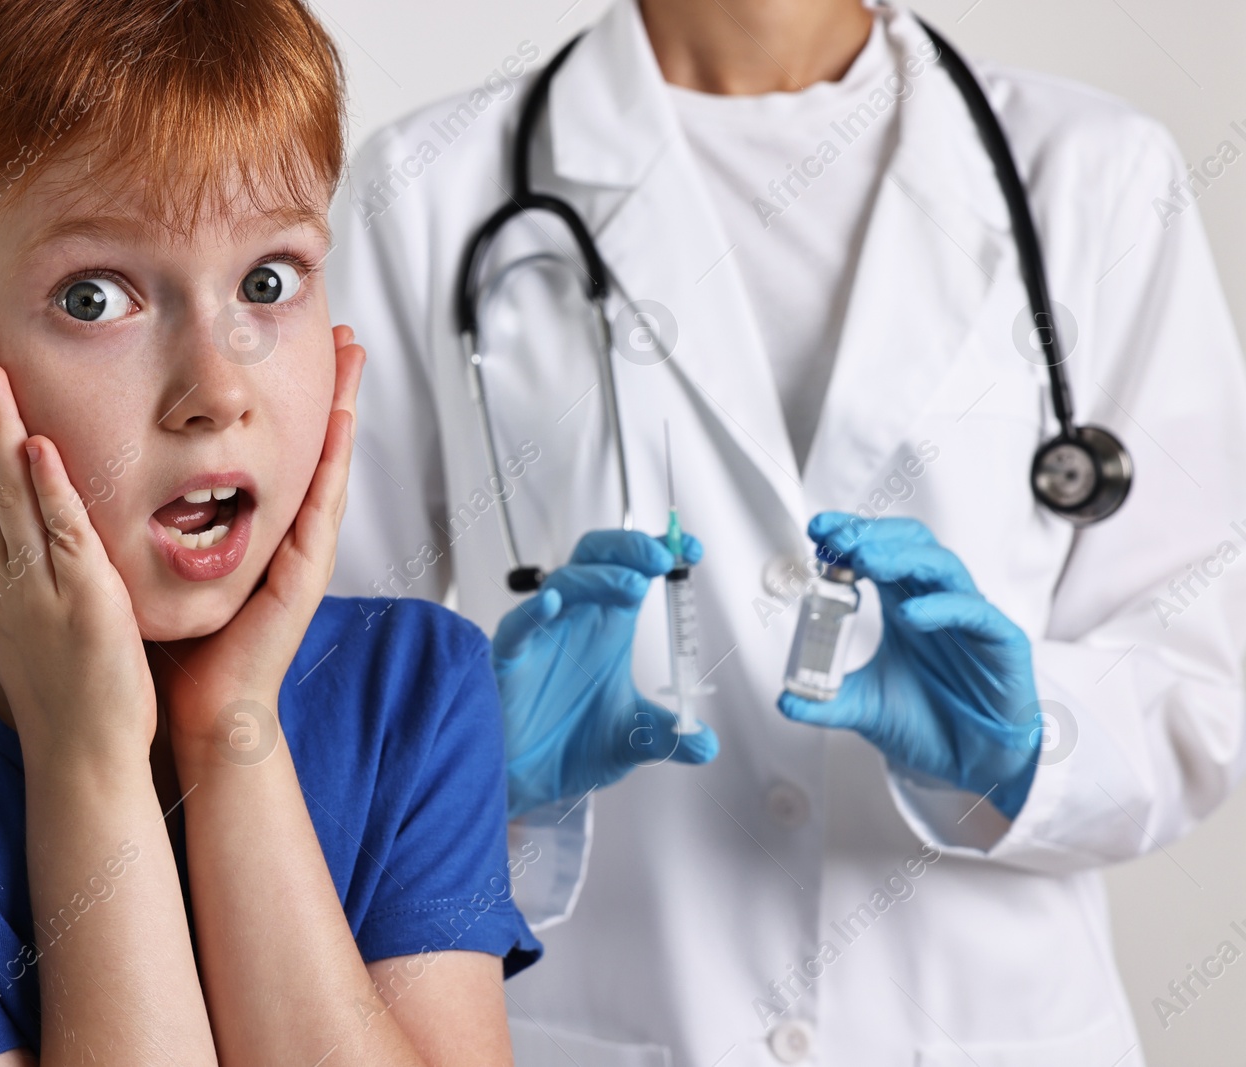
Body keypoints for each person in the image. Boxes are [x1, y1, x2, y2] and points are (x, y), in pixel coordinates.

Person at [328, 0, 1246, 1062]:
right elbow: (319, 684)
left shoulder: (1098, 177)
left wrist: (1026, 739)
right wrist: (486, 774)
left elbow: (1204, 668)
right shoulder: (430, 186)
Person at [0, 1, 541, 1063]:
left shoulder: (414, 691)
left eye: (267, 280)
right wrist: (87, 755)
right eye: (92, 295)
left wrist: (232, 730)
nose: (216, 389)